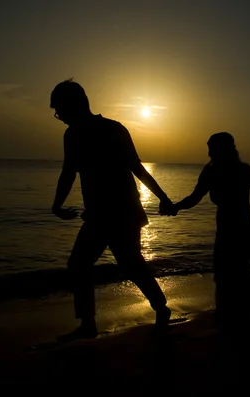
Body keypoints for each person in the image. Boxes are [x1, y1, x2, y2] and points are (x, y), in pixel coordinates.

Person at [50, 79, 172, 340]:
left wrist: (163, 197)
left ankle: (161, 308)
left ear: (77, 104)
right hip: (96, 214)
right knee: (80, 264)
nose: (59, 117)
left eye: (60, 110)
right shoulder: (71, 135)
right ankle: (88, 324)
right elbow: (68, 171)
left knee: (130, 264)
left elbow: (136, 167)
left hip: (123, 211)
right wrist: (57, 203)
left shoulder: (113, 130)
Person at [162, 132, 250, 324]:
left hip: (237, 226)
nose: (208, 150)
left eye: (211, 146)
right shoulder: (221, 170)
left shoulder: (222, 171)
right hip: (235, 225)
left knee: (227, 270)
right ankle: (234, 310)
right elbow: (195, 198)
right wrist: (175, 207)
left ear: (221, 148)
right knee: (233, 270)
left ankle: (230, 311)